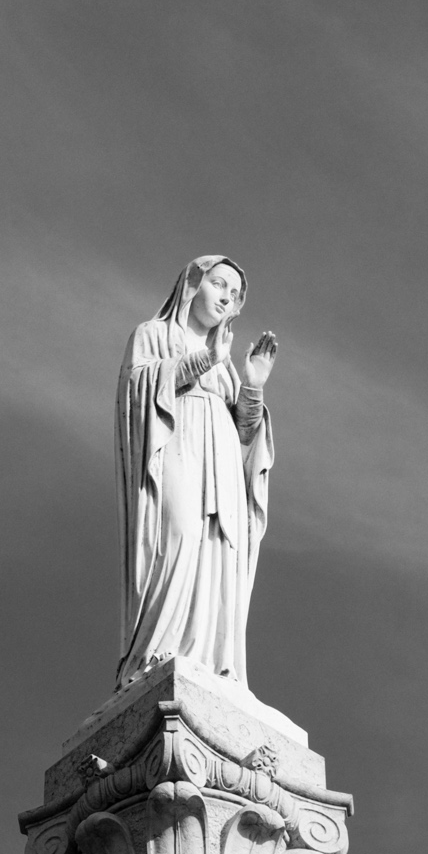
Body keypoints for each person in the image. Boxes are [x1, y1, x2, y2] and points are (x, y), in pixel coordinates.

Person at [115, 255, 281, 689]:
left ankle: (211, 659)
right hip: (175, 439)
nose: (226, 298)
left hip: (220, 459)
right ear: (193, 283)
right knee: (180, 533)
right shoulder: (154, 334)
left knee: (218, 547)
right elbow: (138, 389)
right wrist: (204, 359)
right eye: (219, 284)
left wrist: (253, 385)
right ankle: (156, 650)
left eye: (234, 294)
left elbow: (245, 434)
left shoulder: (226, 365)